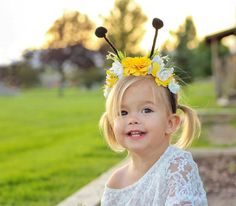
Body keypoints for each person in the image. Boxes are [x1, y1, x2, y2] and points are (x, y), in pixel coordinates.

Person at [95, 18, 208, 206]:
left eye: (146, 109)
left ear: (170, 123)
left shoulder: (177, 166)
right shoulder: (116, 182)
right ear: (111, 124)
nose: (133, 119)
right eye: (122, 113)